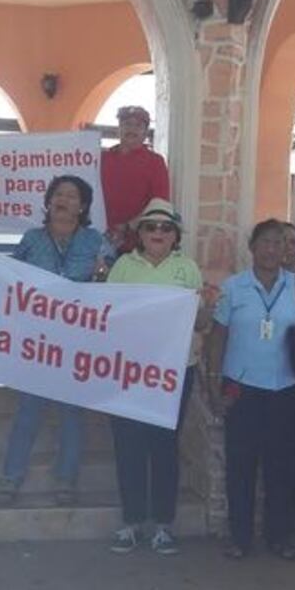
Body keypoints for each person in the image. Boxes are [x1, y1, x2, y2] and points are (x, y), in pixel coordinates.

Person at [208, 219, 295, 560]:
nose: (272, 249)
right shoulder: (234, 287)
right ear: (252, 248)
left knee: (283, 467)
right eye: (265, 242)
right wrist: (213, 382)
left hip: (285, 388)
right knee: (240, 465)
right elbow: (217, 336)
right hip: (241, 386)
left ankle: (279, 536)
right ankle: (240, 538)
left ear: (286, 250)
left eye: (279, 243)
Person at [0, 176, 108, 506]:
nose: (64, 200)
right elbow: (11, 277)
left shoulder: (94, 241)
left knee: (71, 412)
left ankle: (66, 480)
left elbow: (111, 282)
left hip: (76, 340)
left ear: (83, 206)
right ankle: (10, 478)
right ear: (48, 202)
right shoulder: (32, 238)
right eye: (58, 194)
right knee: (28, 409)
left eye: (72, 196)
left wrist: (102, 273)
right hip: (37, 340)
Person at [104, 199, 207, 555]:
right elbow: (108, 313)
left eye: (165, 228)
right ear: (140, 233)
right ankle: (131, 522)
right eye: (150, 227)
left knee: (164, 446)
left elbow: (199, 318)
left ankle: (163, 524)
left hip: (174, 371)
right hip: (128, 370)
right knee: (128, 445)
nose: (157, 233)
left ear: (175, 235)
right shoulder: (123, 266)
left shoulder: (188, 269)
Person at [100, 105, 169, 254]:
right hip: (99, 242)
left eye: (138, 125)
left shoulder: (155, 162)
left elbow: (160, 204)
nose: (132, 129)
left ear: (145, 131)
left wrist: (128, 226)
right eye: (127, 124)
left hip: (138, 245)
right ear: (119, 128)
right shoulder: (102, 158)